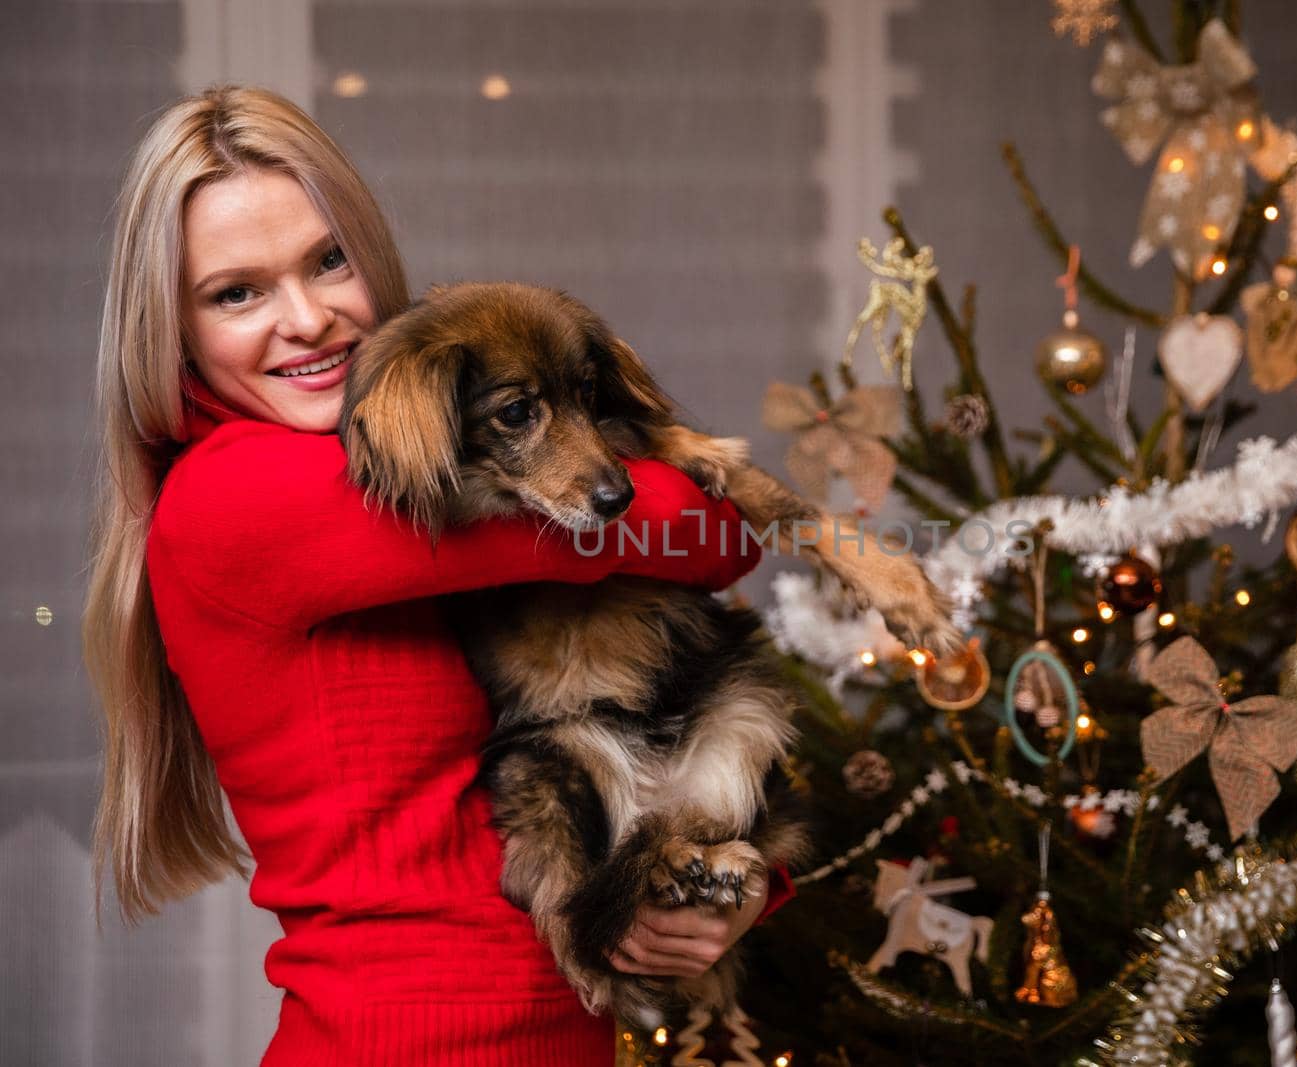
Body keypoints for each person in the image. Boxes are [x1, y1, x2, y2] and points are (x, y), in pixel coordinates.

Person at [81, 85, 792, 1066]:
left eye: (328, 260)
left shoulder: (420, 465)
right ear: (175, 328)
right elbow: (708, 530)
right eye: (235, 292)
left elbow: (592, 723)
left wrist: (727, 885)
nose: (308, 319)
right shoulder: (238, 495)